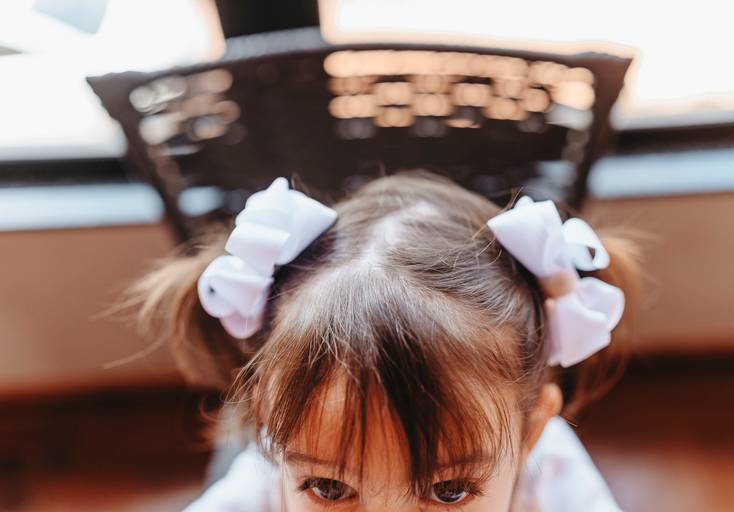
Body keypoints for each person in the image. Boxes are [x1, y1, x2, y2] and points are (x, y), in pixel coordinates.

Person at [130, 170, 639, 511]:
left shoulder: (554, 480)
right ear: (271, 428)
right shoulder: (258, 486)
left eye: (448, 491)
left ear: (531, 434)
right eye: (330, 489)